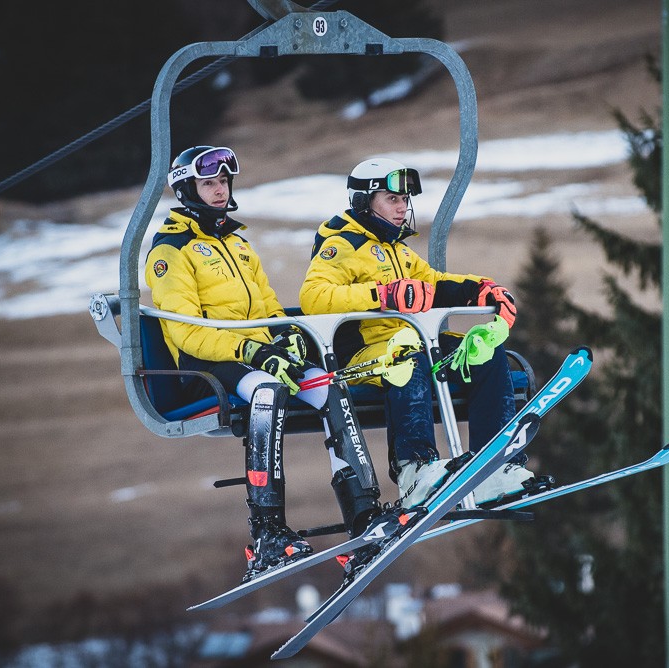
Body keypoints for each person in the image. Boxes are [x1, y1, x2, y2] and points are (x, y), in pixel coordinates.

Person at [145, 146, 382, 583]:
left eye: (223, 182)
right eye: (208, 183)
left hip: (256, 359)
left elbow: (268, 307)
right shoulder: (171, 251)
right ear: (186, 189)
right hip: (207, 365)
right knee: (268, 392)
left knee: (328, 386)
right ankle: (268, 531)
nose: (219, 190)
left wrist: (284, 335)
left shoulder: (237, 243)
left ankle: (364, 514)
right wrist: (253, 352)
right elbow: (185, 332)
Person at [300, 157, 540, 509]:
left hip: (412, 343)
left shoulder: (397, 249)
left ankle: (493, 467)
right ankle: (415, 469)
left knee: (483, 354)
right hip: (366, 353)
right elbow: (314, 297)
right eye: (392, 199)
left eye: (404, 200)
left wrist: (480, 290)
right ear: (364, 202)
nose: (402, 208)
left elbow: (433, 284)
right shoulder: (342, 245)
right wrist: (382, 296)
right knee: (407, 360)